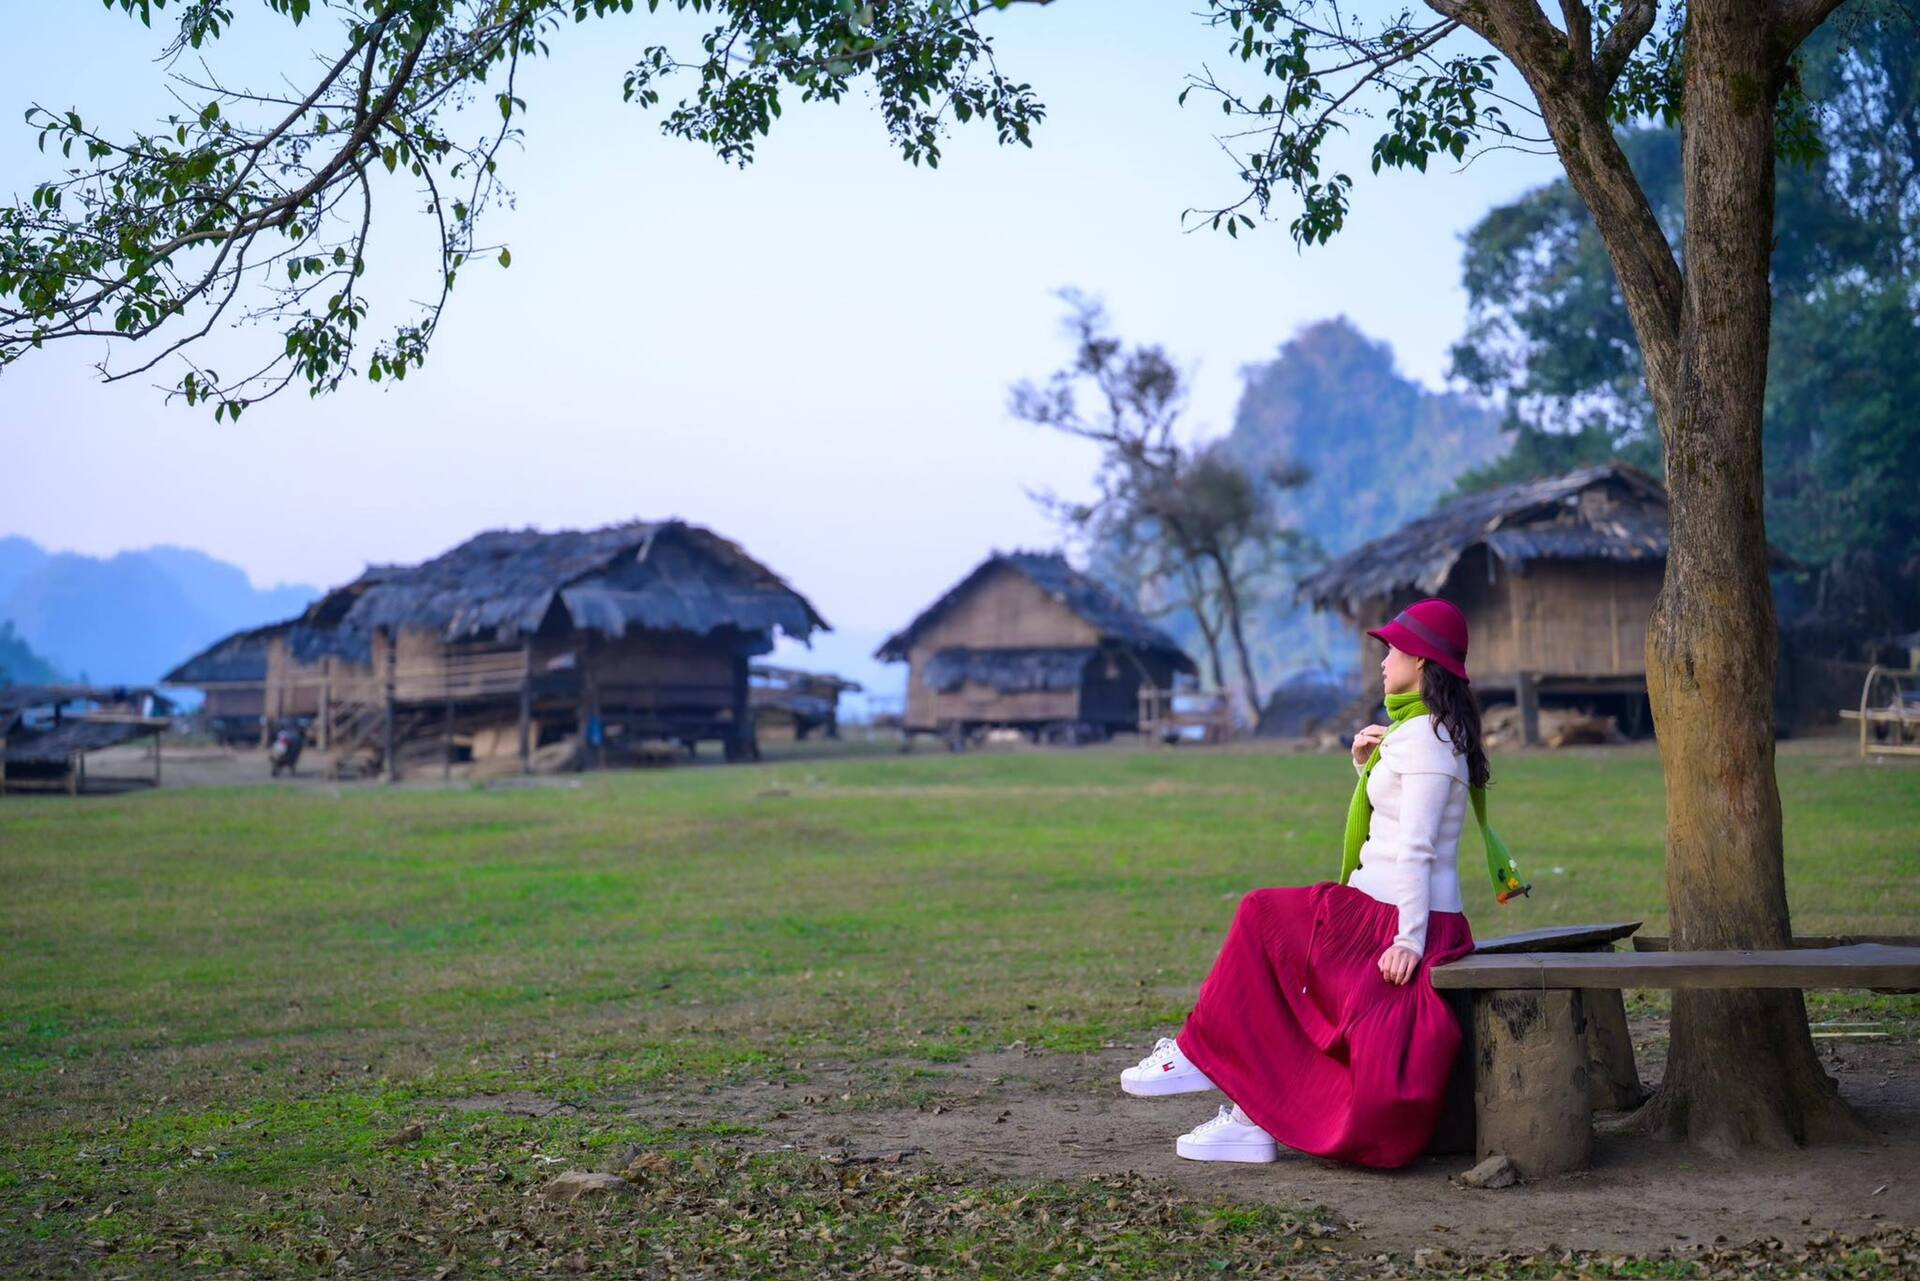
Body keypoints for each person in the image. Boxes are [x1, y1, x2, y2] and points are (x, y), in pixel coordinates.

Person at [1119, 597, 1522, 1169]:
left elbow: (1418, 846)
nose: (1384, 662)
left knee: (1264, 919)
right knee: (1276, 956)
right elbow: (1393, 825)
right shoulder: (1418, 733)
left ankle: (1199, 1054)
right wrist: (1366, 768)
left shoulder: (1428, 742)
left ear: (1425, 665)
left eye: (1394, 652)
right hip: (1381, 906)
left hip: (1399, 919)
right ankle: (1245, 1118)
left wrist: (1407, 939)